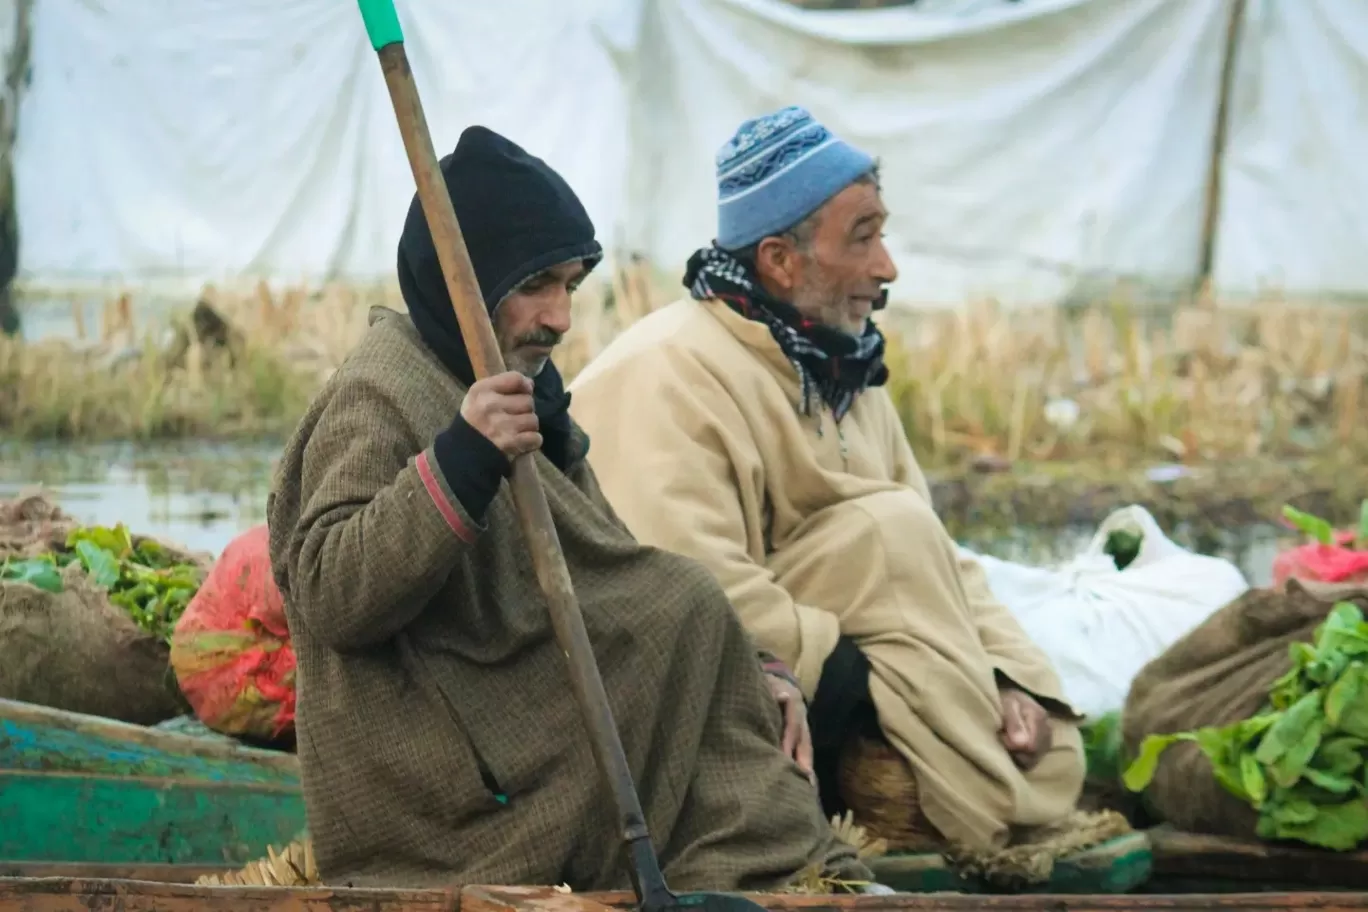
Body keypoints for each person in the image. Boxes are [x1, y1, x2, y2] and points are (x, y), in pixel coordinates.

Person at [266, 125, 868, 891]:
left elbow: (612, 568)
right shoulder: (380, 393)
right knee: (677, 609)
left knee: (684, 613)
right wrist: (459, 462)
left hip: (512, 733)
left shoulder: (524, 400)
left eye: (571, 286)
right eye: (536, 285)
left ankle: (787, 869)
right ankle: (770, 868)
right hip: (452, 804)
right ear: (466, 284)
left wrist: (747, 670)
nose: (560, 318)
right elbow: (329, 593)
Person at [567, 107, 1087, 854]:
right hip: (741, 688)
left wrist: (1011, 679)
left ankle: (967, 769)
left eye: (883, 233)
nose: (888, 268)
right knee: (886, 535)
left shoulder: (844, 372)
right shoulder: (668, 369)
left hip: (867, 655)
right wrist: (856, 683)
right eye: (864, 238)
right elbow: (684, 587)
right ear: (780, 260)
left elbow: (940, 557)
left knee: (1050, 748)